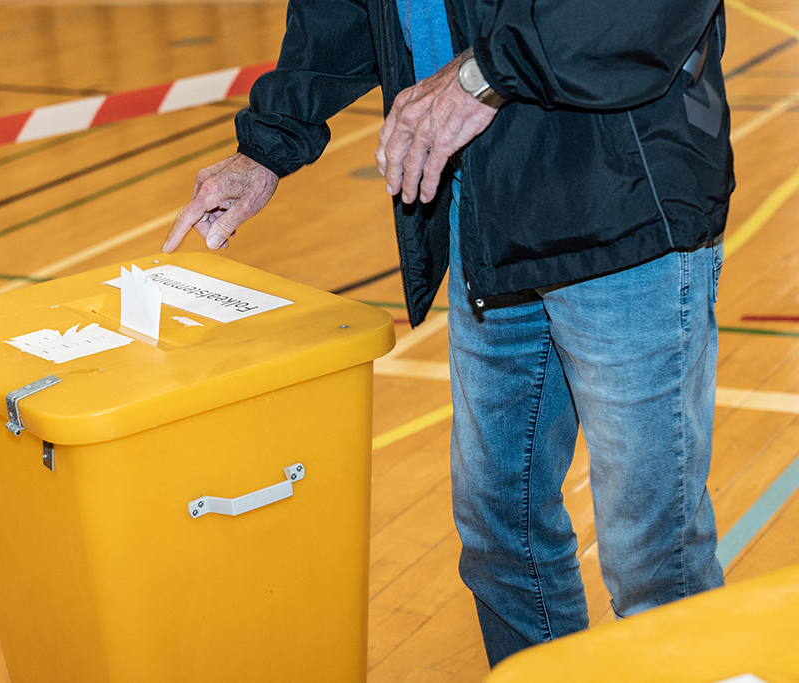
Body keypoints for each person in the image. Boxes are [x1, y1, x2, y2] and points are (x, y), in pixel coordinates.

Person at [163, 0, 733, 667]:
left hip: (623, 203)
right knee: (500, 532)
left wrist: (485, 72)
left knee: (653, 560)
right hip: (486, 214)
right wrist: (265, 147)